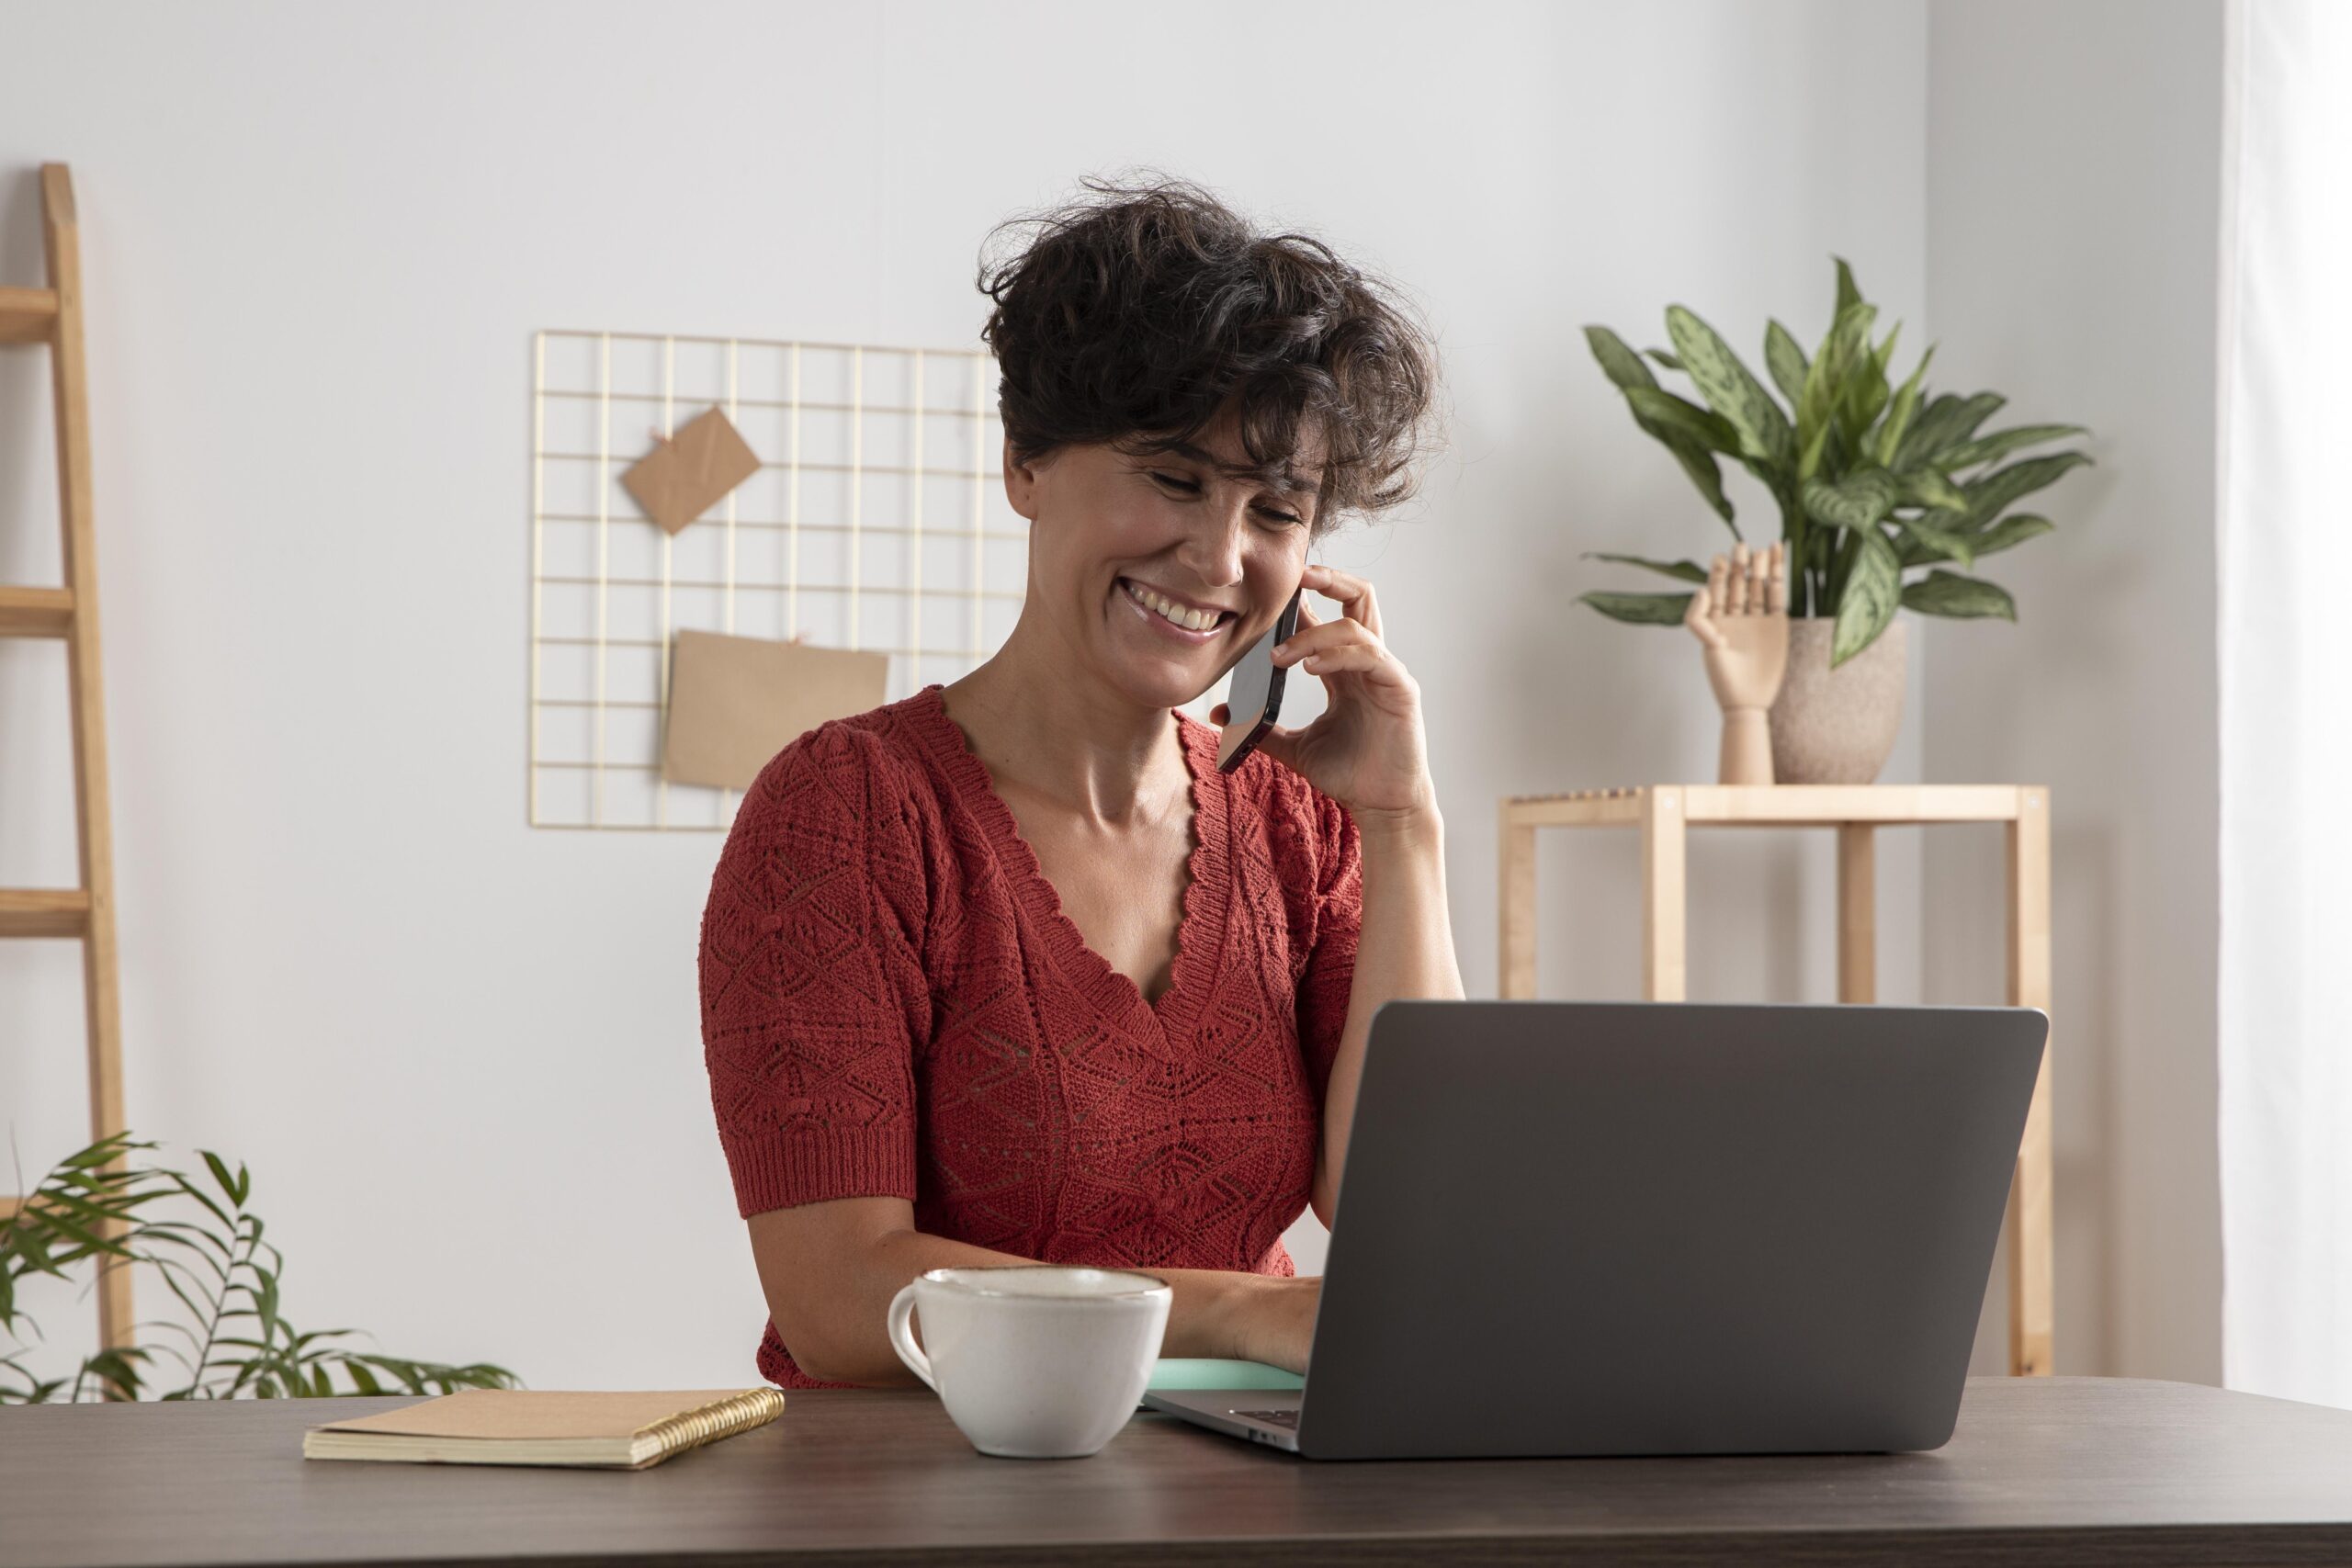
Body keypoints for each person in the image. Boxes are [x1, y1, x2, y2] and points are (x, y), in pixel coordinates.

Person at [697, 178, 1463, 1389]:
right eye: (1174, 478)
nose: (1219, 556)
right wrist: (1241, 1312)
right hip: (922, 1486)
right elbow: (839, 1298)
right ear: (1027, 461)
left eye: (1276, 509)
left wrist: (1403, 824)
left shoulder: (1300, 821)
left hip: (1252, 1475)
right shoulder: (846, 811)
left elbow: (1414, 1226)